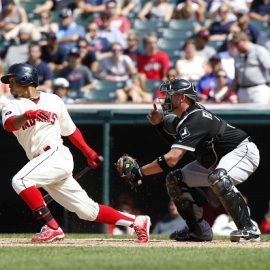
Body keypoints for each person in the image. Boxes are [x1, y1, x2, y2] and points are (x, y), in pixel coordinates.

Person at [0, 63, 151, 243]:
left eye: (12, 80)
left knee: (20, 180)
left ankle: (51, 227)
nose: (9, 85)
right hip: (42, 163)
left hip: (56, 154)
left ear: (25, 79)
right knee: (88, 211)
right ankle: (137, 221)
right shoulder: (12, 104)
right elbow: (9, 125)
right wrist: (29, 115)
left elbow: (70, 130)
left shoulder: (54, 100)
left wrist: (88, 152)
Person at [119, 78, 260, 242]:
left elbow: (172, 159)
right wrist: (158, 123)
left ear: (181, 98)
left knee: (219, 178)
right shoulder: (182, 118)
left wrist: (140, 172)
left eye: (170, 95)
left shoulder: (196, 118)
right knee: (175, 180)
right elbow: (172, 132)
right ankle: (199, 231)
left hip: (242, 151)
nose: (166, 98)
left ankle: (249, 230)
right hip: (215, 162)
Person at [232, 31, 270, 104]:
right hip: (242, 90)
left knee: (260, 114)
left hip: (258, 89)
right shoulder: (237, 56)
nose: (236, 46)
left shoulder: (258, 50)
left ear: (245, 40)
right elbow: (236, 77)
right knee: (242, 115)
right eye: (234, 44)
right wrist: (230, 92)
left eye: (237, 43)